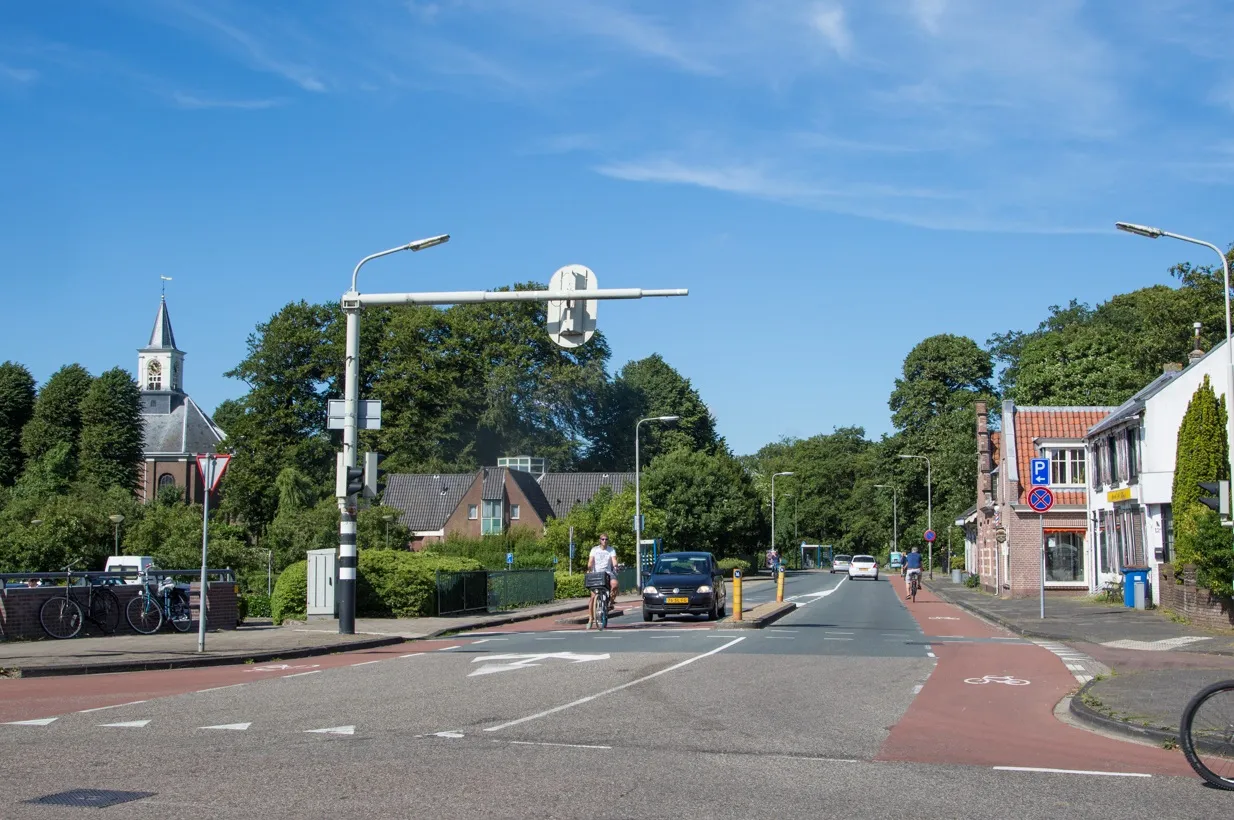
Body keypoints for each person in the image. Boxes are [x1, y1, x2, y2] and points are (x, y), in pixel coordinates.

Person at [587, 533, 619, 621]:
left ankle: (610, 602)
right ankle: (590, 617)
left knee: (615, 585)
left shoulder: (611, 550)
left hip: (608, 573)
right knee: (593, 597)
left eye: (606, 539)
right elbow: (590, 561)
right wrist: (589, 568)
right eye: (602, 539)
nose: (604, 541)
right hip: (596, 574)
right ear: (600, 540)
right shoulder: (594, 550)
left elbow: (614, 560)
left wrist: (616, 565)